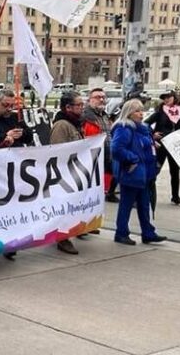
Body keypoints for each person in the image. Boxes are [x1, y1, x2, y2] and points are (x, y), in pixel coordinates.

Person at [111, 99, 168, 246]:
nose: (141, 114)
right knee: (126, 204)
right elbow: (116, 149)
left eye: (142, 110)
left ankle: (148, 232)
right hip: (132, 172)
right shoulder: (124, 128)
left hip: (144, 173)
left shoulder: (141, 128)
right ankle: (121, 233)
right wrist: (133, 159)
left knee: (144, 205)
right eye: (137, 111)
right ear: (129, 113)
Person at [49, 92, 85, 255]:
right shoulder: (62, 125)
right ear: (68, 107)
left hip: (74, 172)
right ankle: (62, 239)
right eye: (79, 105)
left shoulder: (75, 123)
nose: (81, 108)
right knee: (63, 208)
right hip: (64, 175)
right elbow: (58, 151)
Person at [146, 90, 180, 206]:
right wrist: (152, 134)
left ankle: (175, 197)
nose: (166, 99)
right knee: (155, 169)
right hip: (162, 144)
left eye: (168, 97)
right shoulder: (160, 111)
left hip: (175, 145)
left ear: (174, 97)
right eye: (164, 98)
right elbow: (146, 123)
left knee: (175, 172)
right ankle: (147, 193)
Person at [82, 89, 117, 203]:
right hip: (92, 157)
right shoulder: (85, 117)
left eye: (103, 97)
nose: (101, 100)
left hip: (108, 154)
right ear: (90, 100)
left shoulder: (105, 116)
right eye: (97, 97)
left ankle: (108, 193)